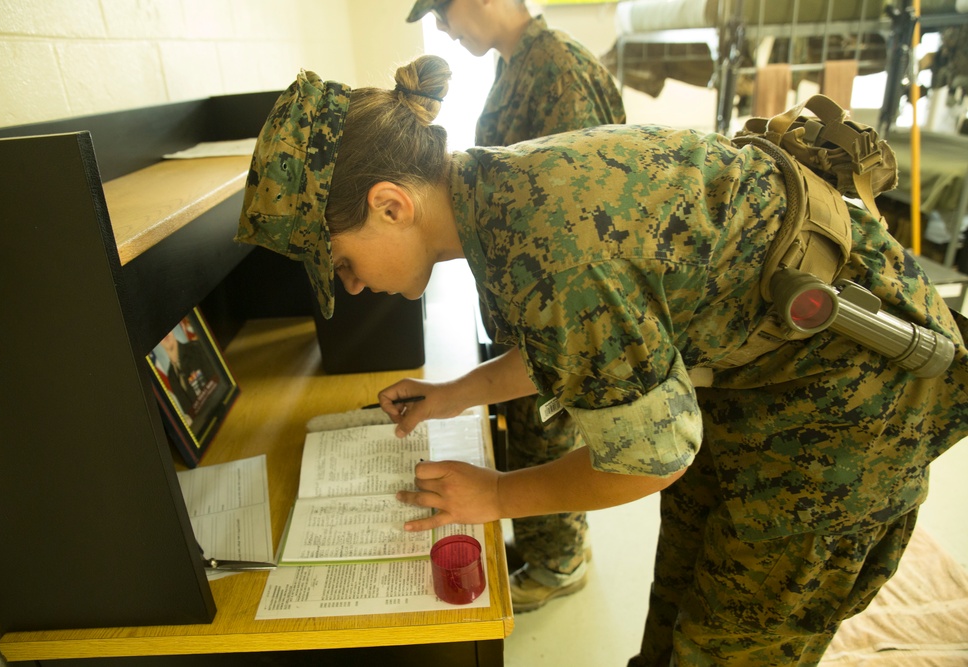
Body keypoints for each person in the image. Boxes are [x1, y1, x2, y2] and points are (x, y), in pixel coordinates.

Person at [236, 56, 968, 666]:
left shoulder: (548, 242)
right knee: (679, 596)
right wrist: (457, 393)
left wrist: (494, 496)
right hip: (764, 376)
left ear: (390, 203)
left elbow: (652, 460)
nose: (355, 285)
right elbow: (586, 338)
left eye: (342, 261)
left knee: (735, 640)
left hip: (851, 410)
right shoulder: (496, 192)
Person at [406, 0, 627, 611]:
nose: (445, 29)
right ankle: (546, 548)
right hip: (531, 309)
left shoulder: (558, 70)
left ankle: (559, 562)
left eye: (444, 14)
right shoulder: (516, 67)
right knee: (533, 431)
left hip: (562, 309)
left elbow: (586, 212)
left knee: (552, 431)